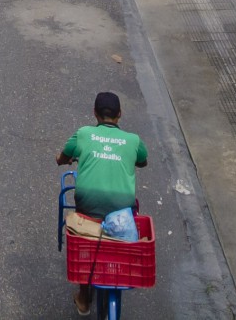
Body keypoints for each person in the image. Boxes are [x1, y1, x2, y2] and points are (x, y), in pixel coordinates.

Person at [57, 91, 149, 316]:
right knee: (121, 230)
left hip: (88, 204)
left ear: (94, 114)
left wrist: (64, 159)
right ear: (120, 115)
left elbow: (61, 158)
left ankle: (84, 297)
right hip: (121, 209)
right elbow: (143, 161)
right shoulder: (133, 140)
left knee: (84, 239)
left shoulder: (84, 134)